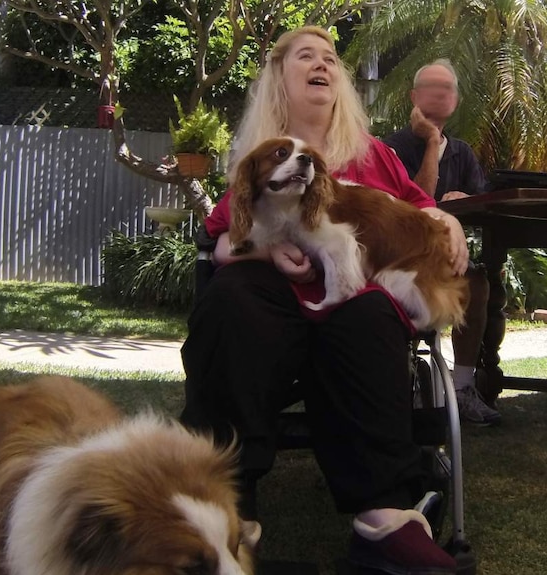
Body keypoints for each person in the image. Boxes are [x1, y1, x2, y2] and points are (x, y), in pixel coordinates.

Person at [180, 27, 467, 574]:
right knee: (233, 299)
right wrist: (253, 252)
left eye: (331, 59)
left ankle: (385, 518)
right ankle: (224, 511)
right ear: (279, 82)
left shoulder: (375, 156)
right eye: (305, 57)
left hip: (357, 308)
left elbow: (421, 210)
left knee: (367, 314)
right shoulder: (262, 156)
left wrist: (446, 217)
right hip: (274, 306)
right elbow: (220, 233)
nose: (322, 64)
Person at [384, 59, 501, 427]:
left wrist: (464, 199)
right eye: (431, 87)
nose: (439, 94)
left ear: (456, 101)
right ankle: (401, 384)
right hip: (401, 263)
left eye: (447, 89)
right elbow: (412, 204)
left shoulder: (463, 153)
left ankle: (464, 388)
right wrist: (432, 142)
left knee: (479, 284)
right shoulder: (392, 148)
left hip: (448, 259)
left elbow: (484, 207)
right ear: (413, 97)